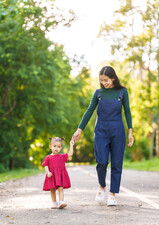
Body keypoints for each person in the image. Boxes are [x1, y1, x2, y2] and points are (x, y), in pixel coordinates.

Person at [72, 66, 134, 206]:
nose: (103, 83)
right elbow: (89, 111)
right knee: (102, 162)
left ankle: (112, 194)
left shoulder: (122, 92)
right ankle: (101, 187)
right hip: (101, 131)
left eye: (106, 80)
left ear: (113, 78)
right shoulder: (98, 93)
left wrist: (130, 131)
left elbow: (127, 112)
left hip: (118, 131)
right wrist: (79, 130)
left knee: (117, 163)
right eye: (101, 80)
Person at [42, 137, 74, 209]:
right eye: (54, 146)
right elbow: (45, 165)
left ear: (61, 148)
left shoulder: (62, 156)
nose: (56, 148)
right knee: (52, 189)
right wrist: (48, 172)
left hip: (60, 175)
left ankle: (61, 202)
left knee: (61, 188)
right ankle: (54, 203)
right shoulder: (48, 157)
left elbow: (70, 154)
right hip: (52, 175)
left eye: (58, 146)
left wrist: (71, 145)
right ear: (50, 146)